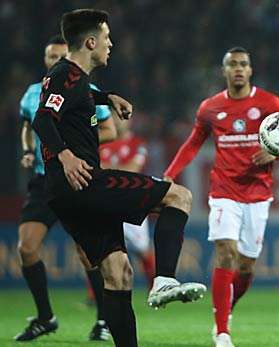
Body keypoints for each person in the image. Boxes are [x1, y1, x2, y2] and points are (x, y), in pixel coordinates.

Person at [31, 9, 206, 346]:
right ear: (91, 41)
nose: (111, 44)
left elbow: (73, 98)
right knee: (178, 196)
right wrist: (66, 156)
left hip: (66, 194)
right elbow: (43, 119)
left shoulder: (75, 80)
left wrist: (105, 97)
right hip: (83, 184)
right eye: (107, 37)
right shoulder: (64, 74)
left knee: (118, 272)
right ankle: (165, 279)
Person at [163, 47, 279, 347]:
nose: (239, 69)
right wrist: (170, 173)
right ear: (225, 71)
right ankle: (222, 332)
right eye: (233, 64)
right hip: (224, 192)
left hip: (258, 194)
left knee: (246, 268)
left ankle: (225, 309)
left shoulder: (270, 103)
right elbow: (193, 143)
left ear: (251, 70)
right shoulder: (210, 108)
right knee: (225, 252)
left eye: (244, 64)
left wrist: (273, 150)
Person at [15, 34, 116, 342]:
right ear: (45, 60)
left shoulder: (88, 90)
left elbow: (110, 130)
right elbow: (28, 128)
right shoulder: (33, 94)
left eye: (59, 57)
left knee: (88, 255)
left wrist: (77, 142)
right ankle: (46, 317)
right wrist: (28, 150)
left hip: (78, 177)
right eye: (49, 57)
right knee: (27, 248)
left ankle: (103, 320)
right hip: (44, 181)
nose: (54, 62)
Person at [100, 115, 155, 289]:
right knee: (99, 250)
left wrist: (110, 170)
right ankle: (94, 296)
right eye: (113, 117)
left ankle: (154, 288)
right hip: (106, 203)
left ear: (129, 121)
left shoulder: (138, 144)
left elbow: (134, 170)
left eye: (120, 117)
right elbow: (97, 170)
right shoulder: (101, 144)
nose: (116, 121)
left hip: (132, 203)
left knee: (142, 249)